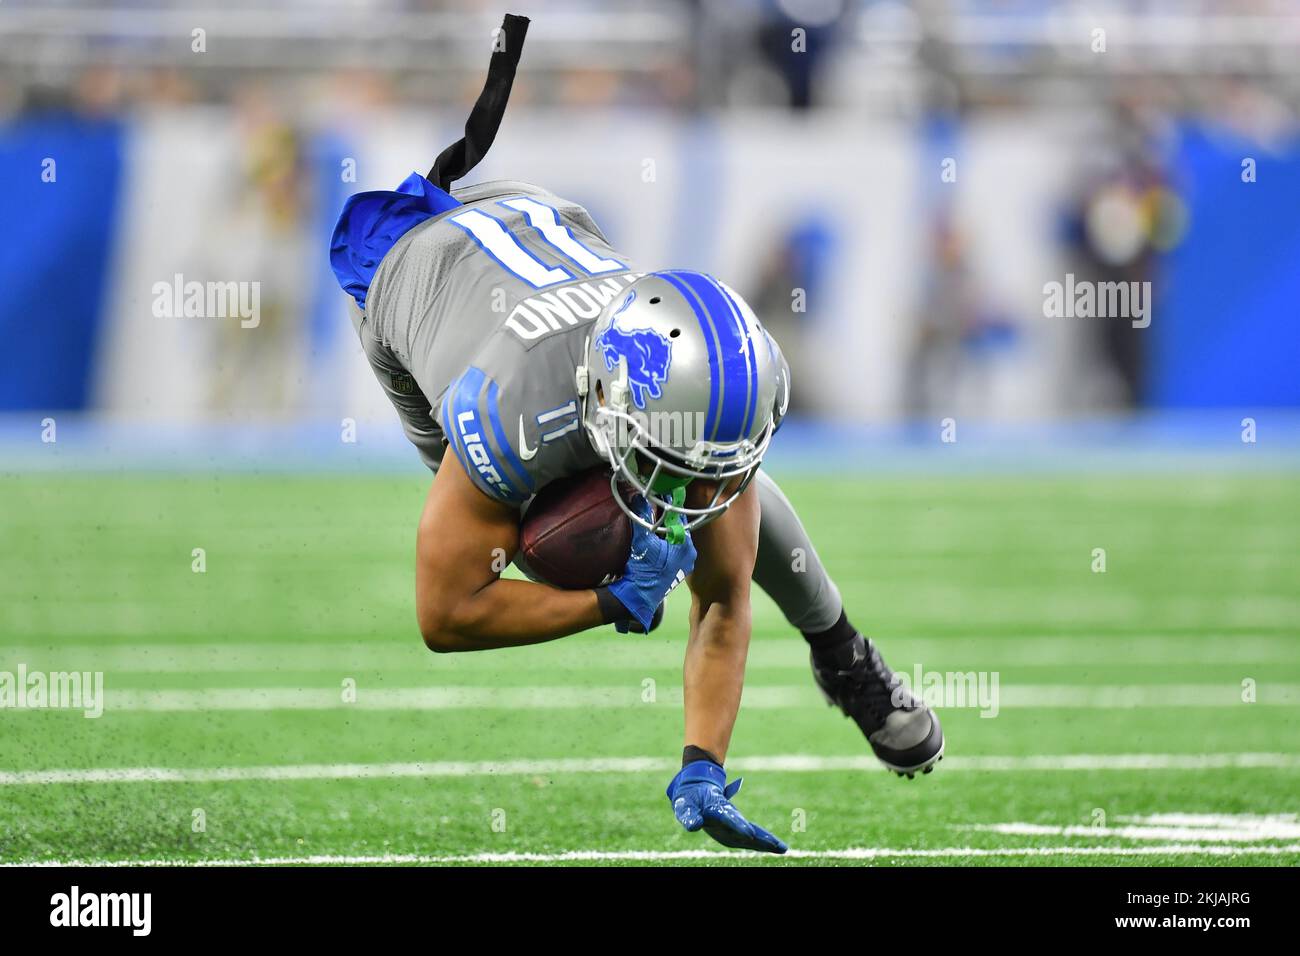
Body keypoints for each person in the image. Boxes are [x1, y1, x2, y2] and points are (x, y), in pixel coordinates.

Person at [329, 14, 942, 855]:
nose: (697, 494)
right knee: (531, 536)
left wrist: (701, 762)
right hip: (405, 271)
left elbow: (723, 594)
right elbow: (446, 614)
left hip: (555, 233)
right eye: (672, 456)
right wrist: (601, 603)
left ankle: (839, 650)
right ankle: (816, 636)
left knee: (721, 485)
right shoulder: (503, 416)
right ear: (619, 405)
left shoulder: (691, 398)